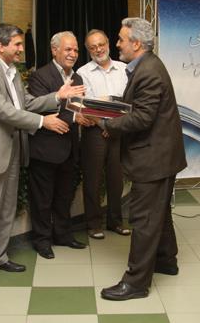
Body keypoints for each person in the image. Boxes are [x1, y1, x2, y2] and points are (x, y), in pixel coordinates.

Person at [0, 24, 84, 285]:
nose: (21, 49)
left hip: (14, 149)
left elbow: (26, 103)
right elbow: (2, 110)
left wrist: (58, 96)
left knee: (7, 208)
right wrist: (42, 122)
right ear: (0, 45)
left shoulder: (13, 72)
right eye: (17, 44)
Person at [93, 18, 187, 301]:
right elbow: (139, 106)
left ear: (136, 44)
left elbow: (143, 117)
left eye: (121, 39)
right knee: (160, 213)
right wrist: (113, 104)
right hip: (161, 156)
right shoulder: (146, 66)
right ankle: (166, 260)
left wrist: (106, 123)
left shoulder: (148, 71)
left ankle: (135, 283)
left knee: (144, 219)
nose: (117, 44)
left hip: (153, 159)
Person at [27, 31, 87, 259]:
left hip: (70, 148)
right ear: (54, 50)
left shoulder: (78, 78)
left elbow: (76, 109)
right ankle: (42, 240)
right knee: (42, 199)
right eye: (68, 49)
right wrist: (70, 112)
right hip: (45, 149)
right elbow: (35, 108)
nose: (73, 54)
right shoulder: (40, 76)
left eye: (76, 50)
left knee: (64, 196)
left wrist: (85, 114)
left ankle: (63, 235)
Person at [77, 29, 130, 240]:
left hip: (119, 130)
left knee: (116, 179)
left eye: (101, 44)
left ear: (108, 43)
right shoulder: (82, 72)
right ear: (88, 50)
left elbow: (127, 101)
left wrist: (114, 126)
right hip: (94, 132)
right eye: (93, 47)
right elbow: (86, 105)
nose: (98, 49)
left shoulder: (124, 69)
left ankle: (115, 222)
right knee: (93, 179)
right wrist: (104, 125)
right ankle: (93, 224)